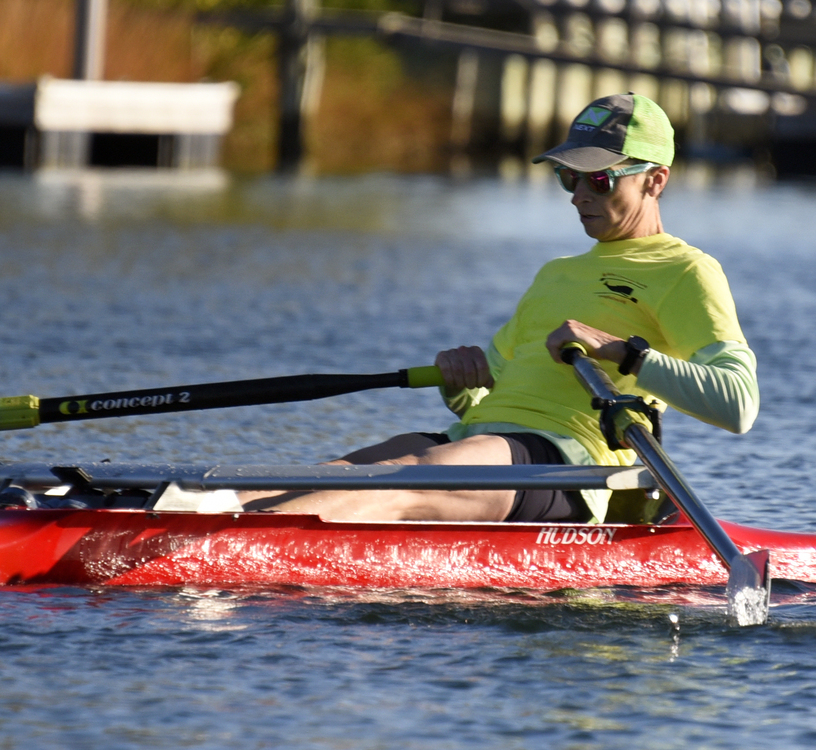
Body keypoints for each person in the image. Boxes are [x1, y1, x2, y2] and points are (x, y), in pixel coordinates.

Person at [238, 92, 758, 523]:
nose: (579, 195)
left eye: (599, 180)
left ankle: (227, 550)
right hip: (482, 441)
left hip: (568, 464)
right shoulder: (557, 273)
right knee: (329, 473)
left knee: (408, 473)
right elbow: (494, 392)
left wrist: (617, 351)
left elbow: (738, 403)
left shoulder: (685, 271)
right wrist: (461, 388)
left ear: (656, 180)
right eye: (568, 178)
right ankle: (185, 520)